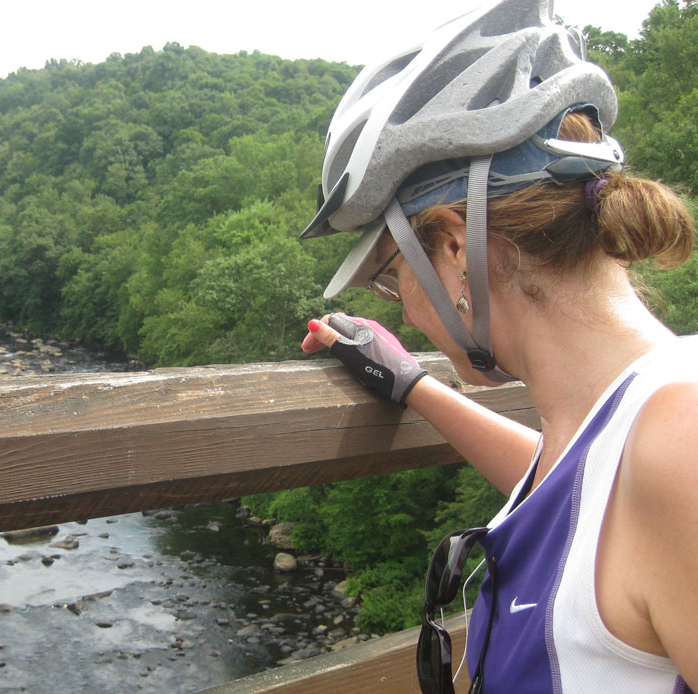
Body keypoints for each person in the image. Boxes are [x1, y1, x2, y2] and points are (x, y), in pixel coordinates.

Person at [297, 0, 698, 692]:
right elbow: (580, 504)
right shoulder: (630, 422)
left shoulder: (680, 447)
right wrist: (415, 385)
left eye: (393, 278)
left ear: (455, 248)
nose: (406, 310)